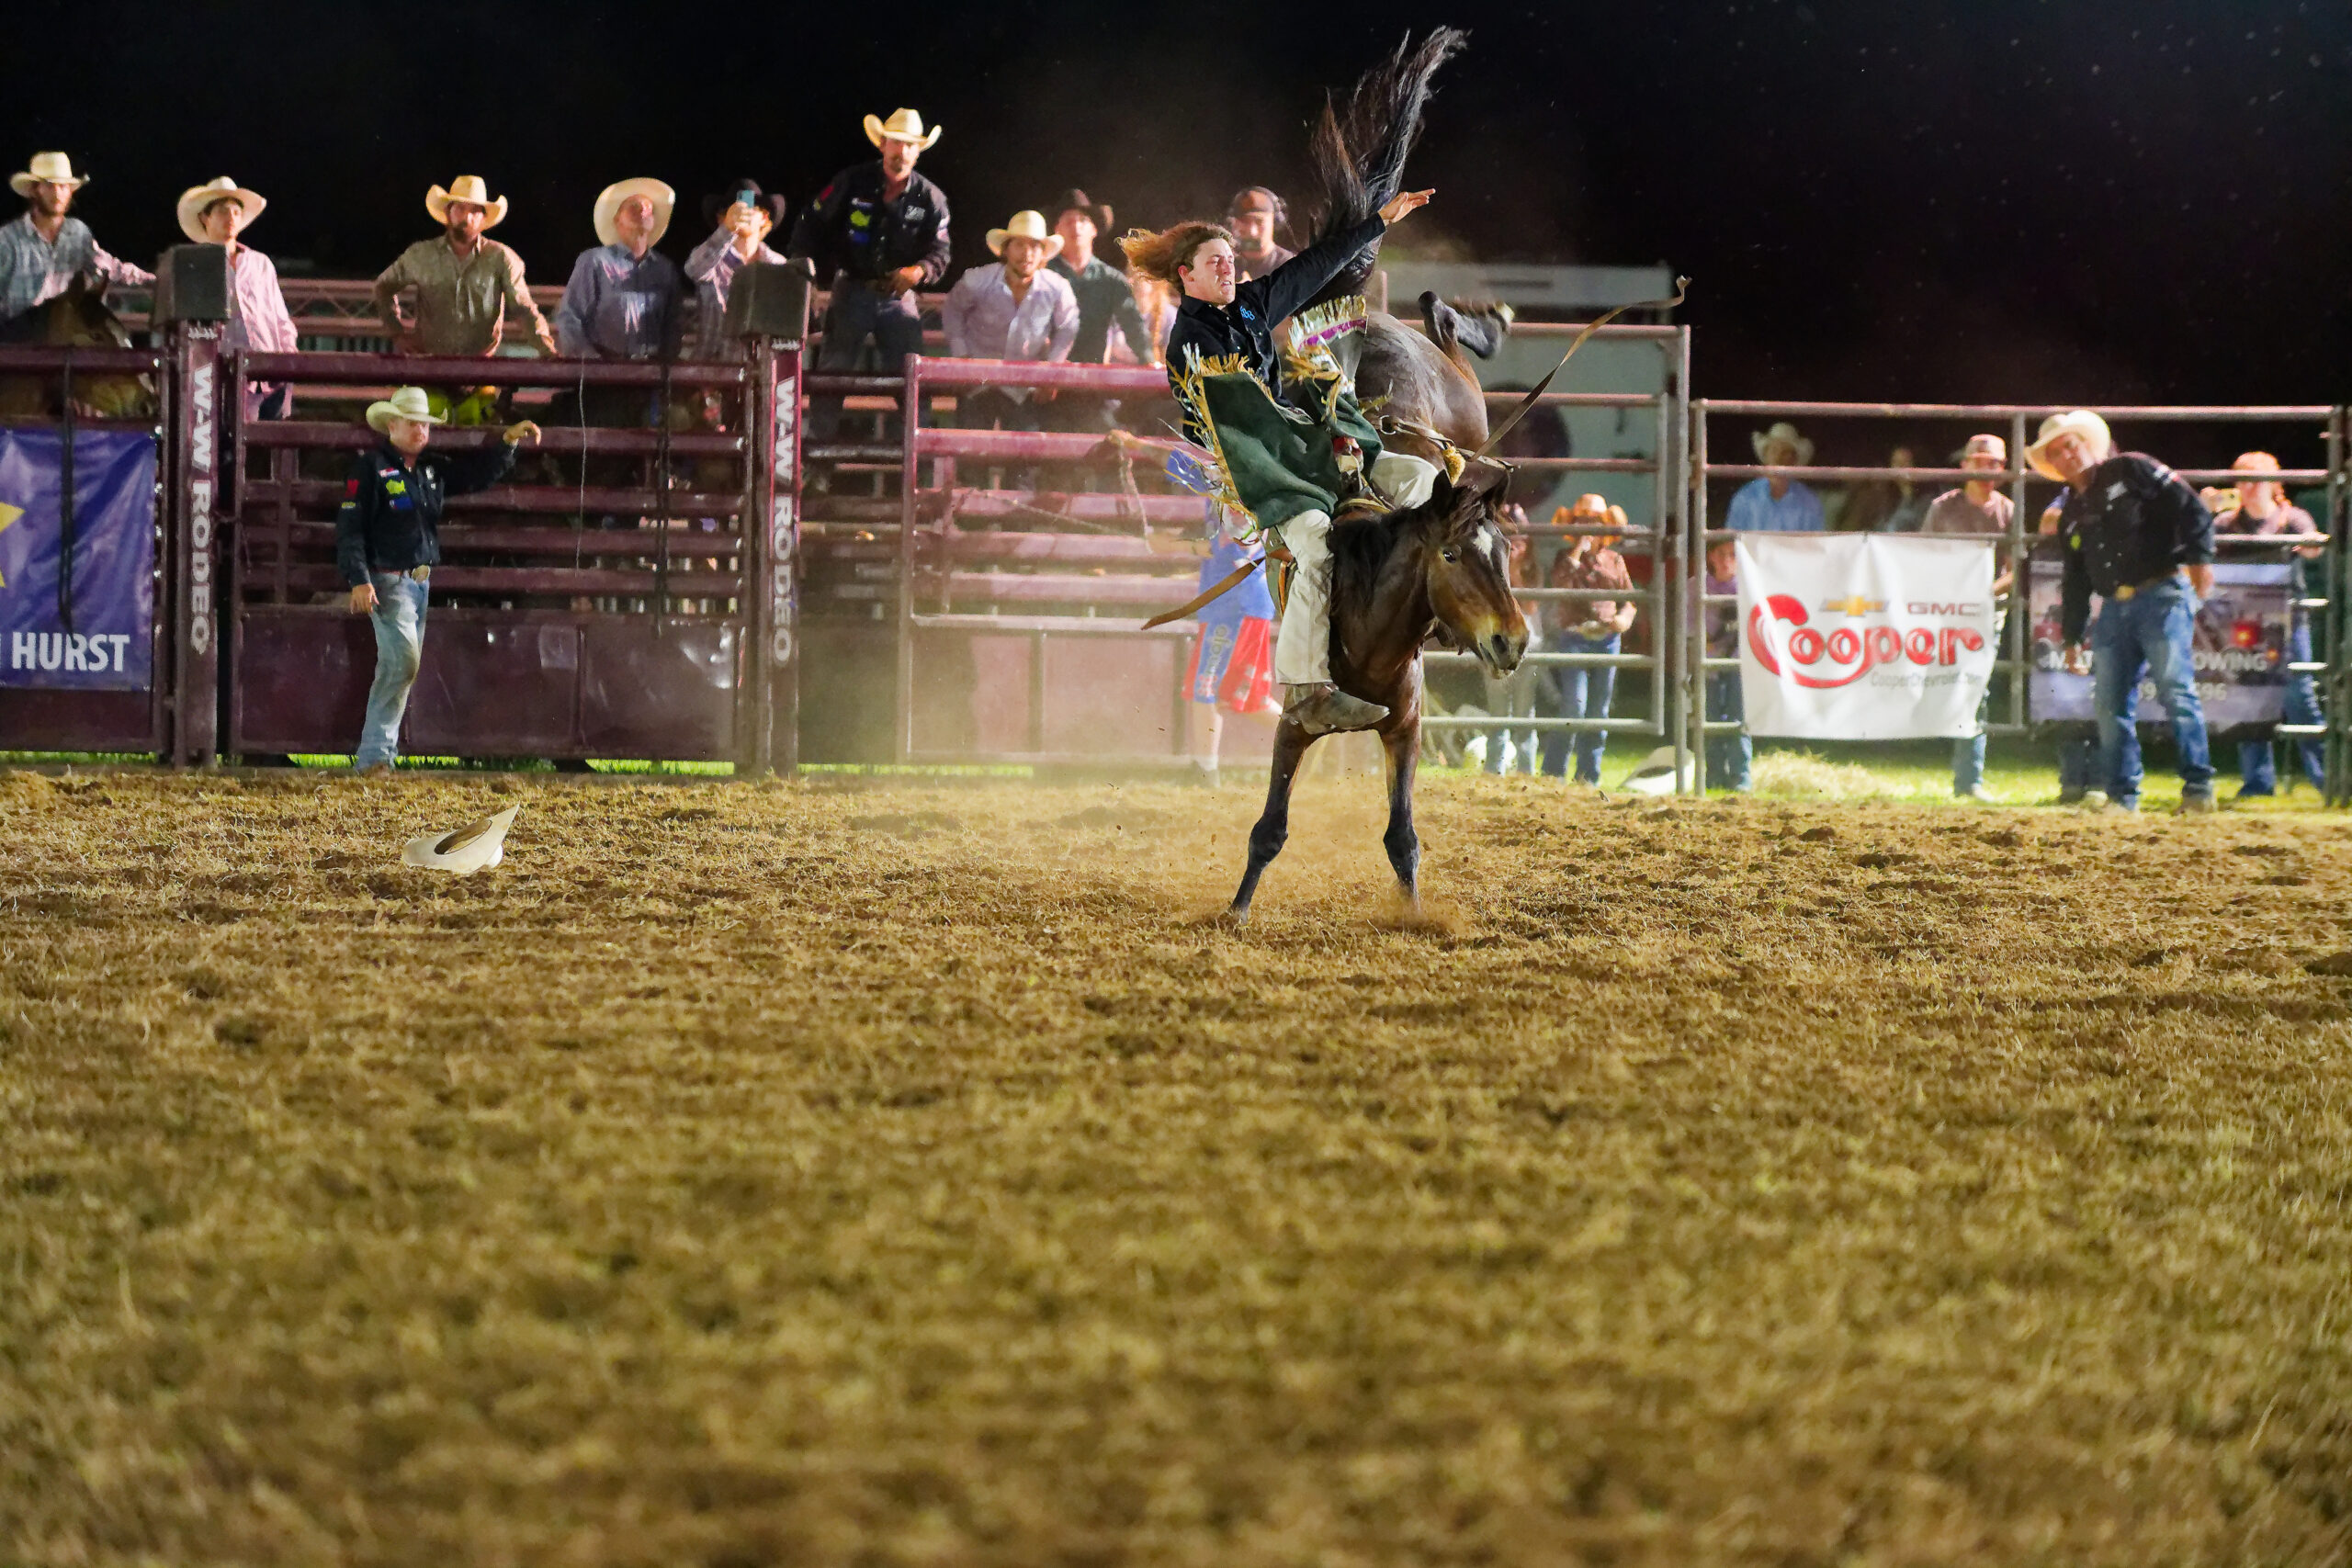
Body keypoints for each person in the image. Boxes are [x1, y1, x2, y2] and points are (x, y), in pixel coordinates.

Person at [1122, 184, 1438, 736]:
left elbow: (1316, 264)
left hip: (1309, 445)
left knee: (1427, 480)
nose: (1227, 268)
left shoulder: (1251, 303)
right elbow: (1229, 425)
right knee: (1316, 547)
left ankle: (1432, 608)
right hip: (1265, 472)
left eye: (1229, 260)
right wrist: (1311, 427)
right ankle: (1310, 689)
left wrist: (1380, 221)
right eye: (1214, 262)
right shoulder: (1188, 344)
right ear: (1185, 275)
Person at [336, 388, 540, 773]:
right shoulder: (369, 468)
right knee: (403, 663)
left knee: (397, 666)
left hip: (418, 581)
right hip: (390, 581)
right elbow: (350, 527)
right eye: (413, 423)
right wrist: (359, 579)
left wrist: (507, 442)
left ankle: (377, 757)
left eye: (424, 424)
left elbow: (474, 476)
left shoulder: (431, 470)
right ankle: (376, 756)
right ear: (391, 425)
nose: (420, 430)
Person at [2038, 409, 2218, 815]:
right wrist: (2071, 637)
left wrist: (2200, 559)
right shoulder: (2071, 513)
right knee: (2111, 703)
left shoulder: (2132, 469)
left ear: (2087, 444)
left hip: (2160, 592)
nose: (2068, 454)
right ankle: (2124, 795)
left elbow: (2191, 507)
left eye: (2071, 444)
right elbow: (2077, 580)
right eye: (2058, 452)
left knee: (2174, 690)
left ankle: (2197, 788)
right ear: (2054, 465)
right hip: (2116, 608)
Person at [790, 108, 952, 445]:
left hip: (898, 295)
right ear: (883, 144)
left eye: (909, 145)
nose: (902, 151)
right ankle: (818, 464)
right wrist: (809, 279)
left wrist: (919, 270)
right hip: (851, 288)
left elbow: (941, 252)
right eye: (896, 142)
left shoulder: (931, 198)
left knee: (912, 378)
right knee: (832, 376)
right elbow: (811, 223)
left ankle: (915, 464)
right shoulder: (852, 181)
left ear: (918, 150)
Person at [371, 175, 556, 423]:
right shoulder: (421, 255)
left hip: (477, 376)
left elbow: (523, 309)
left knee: (473, 446)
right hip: (430, 372)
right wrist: (396, 332)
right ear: (449, 212)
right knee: (432, 442)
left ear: (483, 218)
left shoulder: (501, 258)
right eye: (460, 208)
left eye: (474, 211)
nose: (467, 217)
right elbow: (383, 287)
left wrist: (547, 350)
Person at [2215, 450, 2326, 797]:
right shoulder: (2223, 523)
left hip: (2288, 621)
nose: (2248, 487)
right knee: (2248, 700)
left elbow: (2314, 546)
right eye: (2242, 479)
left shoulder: (2291, 518)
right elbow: (2200, 551)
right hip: (2244, 625)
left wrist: (2312, 543)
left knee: (2300, 697)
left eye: (2256, 479)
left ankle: (2328, 779)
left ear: (2273, 483)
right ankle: (2258, 783)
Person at [1921, 433, 2017, 800]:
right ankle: (1965, 777)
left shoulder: (2008, 511)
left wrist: (1983, 594)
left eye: (1992, 463)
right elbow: (1925, 558)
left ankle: (1968, 779)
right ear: (1964, 465)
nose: (1985, 468)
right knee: (1952, 684)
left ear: (2001, 468)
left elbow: (2014, 569)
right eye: (1978, 461)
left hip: (1985, 612)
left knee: (1978, 687)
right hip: (1946, 611)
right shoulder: (1943, 508)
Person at [942, 210, 1078, 437]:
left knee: (1023, 461)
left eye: (1034, 246)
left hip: (1023, 387)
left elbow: (1068, 327)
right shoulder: (977, 280)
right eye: (1019, 245)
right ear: (1006, 250)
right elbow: (952, 310)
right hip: (977, 382)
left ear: (1043, 253)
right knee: (971, 459)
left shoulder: (1056, 288)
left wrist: (1052, 369)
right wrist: (962, 356)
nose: (1027, 253)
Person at [175, 176, 299, 419]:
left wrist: (289, 361)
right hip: (222, 377)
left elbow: (280, 318)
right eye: (222, 211)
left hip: (270, 377)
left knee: (270, 445)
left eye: (235, 212)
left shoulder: (260, 263)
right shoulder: (196, 265)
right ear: (205, 218)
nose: (231, 217)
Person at [1538, 494, 1637, 783]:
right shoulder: (1565, 558)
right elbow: (1560, 583)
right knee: (1575, 705)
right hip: (1575, 637)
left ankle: (1588, 776)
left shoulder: (1615, 560)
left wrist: (1623, 619)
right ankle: (1554, 772)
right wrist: (1577, 552)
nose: (1588, 527)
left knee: (1599, 710)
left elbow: (1630, 600)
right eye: (1582, 521)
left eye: (1594, 521)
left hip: (1607, 638)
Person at [0, 152, 153, 335]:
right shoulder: (9, 239)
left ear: (70, 191)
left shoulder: (78, 233)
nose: (57, 193)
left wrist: (155, 281)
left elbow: (110, 268)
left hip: (65, 340)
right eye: (49, 185)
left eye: (63, 186)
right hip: (19, 345)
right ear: (35, 190)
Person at [1185, 501, 1281, 782]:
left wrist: (1176, 546)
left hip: (1235, 605)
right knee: (1240, 696)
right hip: (1232, 604)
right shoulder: (1227, 487)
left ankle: (1205, 769)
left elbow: (1236, 542)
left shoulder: (1239, 491)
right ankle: (1205, 767)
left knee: (1207, 685)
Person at [554, 178, 683, 367]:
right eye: (633, 206)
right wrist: (592, 364)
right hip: (605, 371)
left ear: (653, 221)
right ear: (617, 220)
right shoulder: (594, 262)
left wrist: (666, 365)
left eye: (648, 207)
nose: (642, 209)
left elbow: (673, 324)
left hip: (650, 374)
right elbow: (570, 317)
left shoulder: (665, 269)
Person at [684, 179, 787, 360]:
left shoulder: (778, 266)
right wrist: (728, 229)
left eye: (750, 208)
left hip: (761, 376)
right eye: (733, 210)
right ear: (721, 219)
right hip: (710, 374)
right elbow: (693, 269)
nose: (743, 214)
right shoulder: (711, 262)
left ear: (764, 217)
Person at [1477, 502, 1542, 773]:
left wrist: (1513, 569)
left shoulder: (1533, 570)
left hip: (1530, 646)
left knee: (1526, 711)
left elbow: (1530, 607)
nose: (1515, 546)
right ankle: (1495, 769)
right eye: (1509, 540)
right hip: (1498, 646)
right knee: (1498, 711)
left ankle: (1526, 770)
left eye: (1520, 540)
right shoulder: (1488, 568)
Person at [1698, 535, 1751, 791]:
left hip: (1737, 662)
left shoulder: (1749, 587)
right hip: (1709, 663)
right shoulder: (1697, 586)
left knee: (1737, 718)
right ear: (1711, 557)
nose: (1727, 561)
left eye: (1733, 555)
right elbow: (1691, 627)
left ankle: (1741, 776)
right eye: (1721, 554)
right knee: (1712, 717)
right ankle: (1715, 774)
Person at [1725, 422, 1826, 532]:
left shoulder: (1809, 502)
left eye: (1784, 452)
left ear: (1794, 459)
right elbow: (1731, 543)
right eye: (1774, 450)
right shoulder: (1745, 498)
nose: (1778, 458)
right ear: (1765, 455)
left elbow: (1815, 545)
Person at [1844, 445, 1929, 534]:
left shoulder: (1926, 499)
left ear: (1915, 464)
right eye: (1896, 463)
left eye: (1905, 462)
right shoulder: (1884, 497)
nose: (1900, 468)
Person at [1226, 187, 1294, 281]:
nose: (1252, 232)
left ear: (1275, 222)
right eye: (1244, 221)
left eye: (1260, 222)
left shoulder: (1291, 266)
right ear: (1234, 223)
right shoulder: (1225, 262)